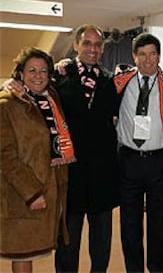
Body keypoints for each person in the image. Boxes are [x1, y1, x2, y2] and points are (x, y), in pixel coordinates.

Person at [49, 24, 120, 272]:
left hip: (103, 174)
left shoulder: (111, 81)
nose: (93, 49)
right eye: (87, 43)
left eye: (98, 44)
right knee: (68, 242)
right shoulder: (58, 76)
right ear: (76, 45)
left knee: (101, 244)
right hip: (71, 174)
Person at [0, 47, 75, 272]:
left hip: (49, 187)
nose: (38, 76)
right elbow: (5, 155)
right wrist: (31, 192)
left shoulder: (49, 98)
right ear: (20, 74)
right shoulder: (7, 105)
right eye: (31, 70)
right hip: (21, 192)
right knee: (22, 252)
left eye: (43, 71)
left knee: (31, 250)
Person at [113, 33, 163, 272]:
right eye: (142, 54)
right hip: (129, 160)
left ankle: (158, 269)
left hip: (158, 161)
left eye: (152, 54)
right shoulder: (121, 82)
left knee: (159, 223)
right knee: (129, 223)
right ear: (134, 57)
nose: (148, 60)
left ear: (159, 56)